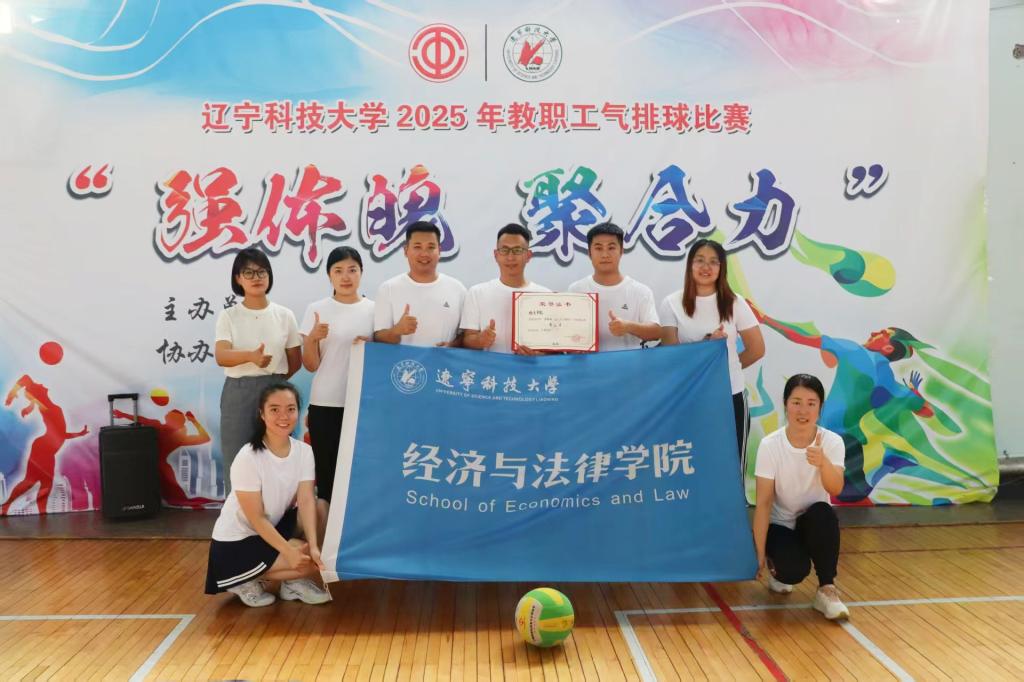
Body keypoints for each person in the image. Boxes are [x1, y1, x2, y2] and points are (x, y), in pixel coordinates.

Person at [205, 382, 331, 607]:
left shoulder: (304, 452)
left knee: (321, 508)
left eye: (290, 409)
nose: (284, 416)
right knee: (303, 561)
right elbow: (256, 518)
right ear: (262, 414)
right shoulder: (248, 457)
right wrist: (288, 551)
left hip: (269, 531)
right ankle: (244, 580)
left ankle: (291, 583)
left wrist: (313, 546)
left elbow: (305, 500)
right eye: (274, 409)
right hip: (236, 544)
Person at [752, 374, 849, 621]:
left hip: (813, 521)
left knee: (824, 513)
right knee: (793, 572)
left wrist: (823, 462)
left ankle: (826, 589)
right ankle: (777, 569)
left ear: (820, 407)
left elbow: (835, 488)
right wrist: (759, 553)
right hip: (781, 525)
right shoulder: (770, 445)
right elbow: (763, 503)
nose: (803, 410)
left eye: (811, 403)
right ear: (785, 404)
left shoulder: (832, 442)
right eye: (796, 402)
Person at [659, 238, 765, 461]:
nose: (706, 267)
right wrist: (707, 346)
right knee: (693, 460)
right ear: (690, 265)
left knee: (731, 462)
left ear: (721, 267)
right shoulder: (671, 303)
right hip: (689, 395)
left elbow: (756, 349)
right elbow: (670, 355)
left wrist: (723, 371)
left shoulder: (735, 302)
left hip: (730, 394)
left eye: (713, 262)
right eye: (699, 260)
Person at [214, 248, 301, 491]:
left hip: (275, 391)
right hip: (238, 392)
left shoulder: (284, 315)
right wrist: (251, 357)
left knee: (278, 456)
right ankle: (238, 513)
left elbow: (295, 361)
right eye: (248, 272)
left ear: (269, 276)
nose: (256, 277)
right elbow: (221, 355)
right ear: (238, 278)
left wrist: (275, 382)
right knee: (237, 457)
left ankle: (279, 511)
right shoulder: (229, 316)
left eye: (262, 272)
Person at [300, 246, 374, 503]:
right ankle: (327, 524)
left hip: (363, 403)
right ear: (329, 275)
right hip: (326, 401)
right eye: (338, 270)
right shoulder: (317, 309)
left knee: (361, 470)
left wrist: (372, 346)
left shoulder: (374, 310)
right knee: (327, 472)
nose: (345, 277)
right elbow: (310, 365)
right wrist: (312, 338)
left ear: (361, 272)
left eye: (352, 270)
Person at [2, 375, 89, 515]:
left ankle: (40, 510)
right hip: (43, 448)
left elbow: (61, 434)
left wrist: (79, 434)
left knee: (46, 483)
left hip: (48, 451)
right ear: (37, 394)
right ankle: (6, 507)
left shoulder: (50, 407)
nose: (42, 384)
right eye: (39, 386)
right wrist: (11, 395)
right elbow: (25, 379)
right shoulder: (46, 407)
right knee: (31, 481)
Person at [568, 223, 661, 352]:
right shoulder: (576, 290)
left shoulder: (640, 291)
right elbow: (567, 332)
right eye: (598, 248)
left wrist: (628, 327)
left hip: (629, 363)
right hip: (588, 363)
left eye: (611, 248)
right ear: (589, 253)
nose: (605, 255)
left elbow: (656, 332)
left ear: (621, 251)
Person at [373, 222, 466, 348]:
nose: (424, 254)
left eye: (430, 247)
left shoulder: (458, 289)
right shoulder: (388, 288)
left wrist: (452, 345)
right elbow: (378, 337)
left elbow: (466, 335)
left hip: (443, 361)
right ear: (406, 251)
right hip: (404, 361)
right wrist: (397, 330)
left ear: (439, 251)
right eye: (417, 247)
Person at [461, 224, 550, 354]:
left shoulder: (546, 296)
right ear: (496, 255)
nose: (510, 257)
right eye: (504, 250)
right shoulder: (477, 293)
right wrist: (480, 340)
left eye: (517, 250)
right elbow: (467, 339)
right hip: (491, 367)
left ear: (528, 255)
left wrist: (539, 355)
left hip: (530, 367)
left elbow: (553, 348)